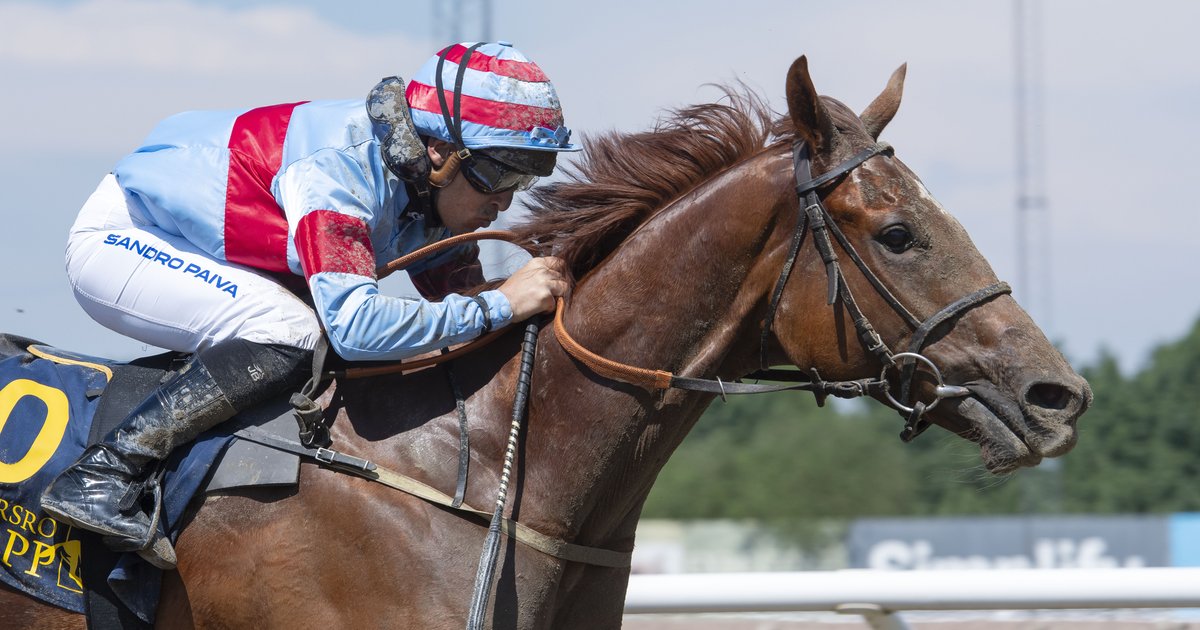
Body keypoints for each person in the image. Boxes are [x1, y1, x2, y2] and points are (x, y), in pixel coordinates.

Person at [40, 41, 572, 569]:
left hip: (207, 244)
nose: (505, 201)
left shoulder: (423, 188)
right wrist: (501, 305)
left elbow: (462, 304)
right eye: (500, 175)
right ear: (439, 152)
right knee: (296, 331)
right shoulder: (340, 176)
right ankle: (105, 473)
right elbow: (357, 328)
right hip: (127, 238)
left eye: (524, 179)